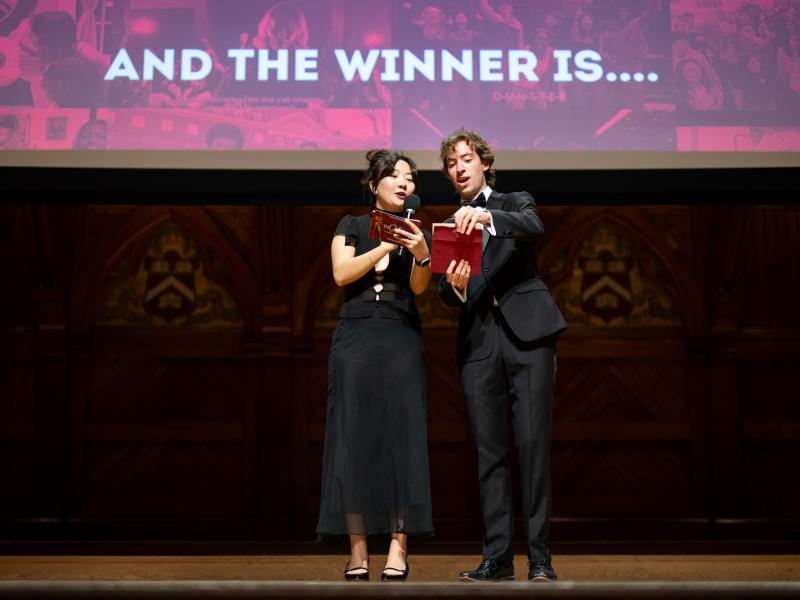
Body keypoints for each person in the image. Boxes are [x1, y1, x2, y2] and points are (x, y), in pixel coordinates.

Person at [437, 128, 566, 583]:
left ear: (485, 163)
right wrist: (454, 286)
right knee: (488, 453)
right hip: (480, 342)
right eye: (451, 164)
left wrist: (486, 217)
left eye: (466, 159)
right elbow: (446, 292)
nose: (459, 168)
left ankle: (540, 559)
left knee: (532, 448)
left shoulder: (513, 203)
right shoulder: (449, 226)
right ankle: (497, 559)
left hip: (528, 337)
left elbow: (534, 227)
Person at [316, 149, 434, 582]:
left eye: (410, 178)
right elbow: (341, 274)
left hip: (401, 335)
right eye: (395, 176)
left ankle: (398, 549)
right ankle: (358, 549)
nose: (405, 183)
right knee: (353, 438)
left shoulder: (419, 231)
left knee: (403, 437)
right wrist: (385, 243)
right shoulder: (350, 225)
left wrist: (420, 254)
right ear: (374, 185)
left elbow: (419, 288)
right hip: (356, 335)